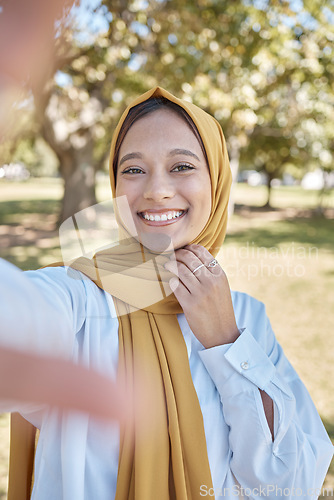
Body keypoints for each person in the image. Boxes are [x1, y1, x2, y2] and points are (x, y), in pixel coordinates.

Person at [1, 86, 333, 499]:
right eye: (134, 170)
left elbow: (288, 485)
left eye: (181, 166)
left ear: (217, 181)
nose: (156, 190)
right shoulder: (82, 297)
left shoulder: (246, 318)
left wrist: (226, 341)